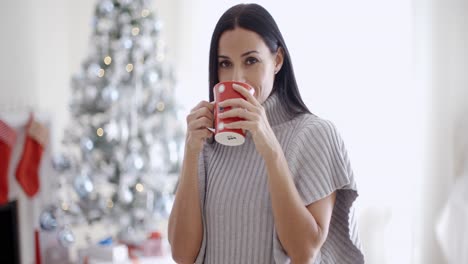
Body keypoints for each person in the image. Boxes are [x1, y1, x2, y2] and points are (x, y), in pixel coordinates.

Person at [168, 3, 364, 264]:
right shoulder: (207, 141)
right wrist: (191, 151)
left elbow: (304, 251)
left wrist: (271, 149)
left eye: (251, 60)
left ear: (277, 60)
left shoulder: (315, 134)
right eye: (225, 64)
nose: (237, 77)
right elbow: (182, 254)